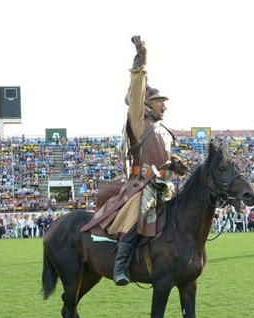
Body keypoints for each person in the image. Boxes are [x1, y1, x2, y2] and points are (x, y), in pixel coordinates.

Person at [80, 36, 188, 285]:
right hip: (141, 185)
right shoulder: (139, 122)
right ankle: (120, 266)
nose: (165, 106)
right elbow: (137, 88)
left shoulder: (163, 132)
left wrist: (175, 163)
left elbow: (164, 159)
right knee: (139, 217)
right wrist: (141, 60)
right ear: (148, 103)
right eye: (161, 101)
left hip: (164, 185)